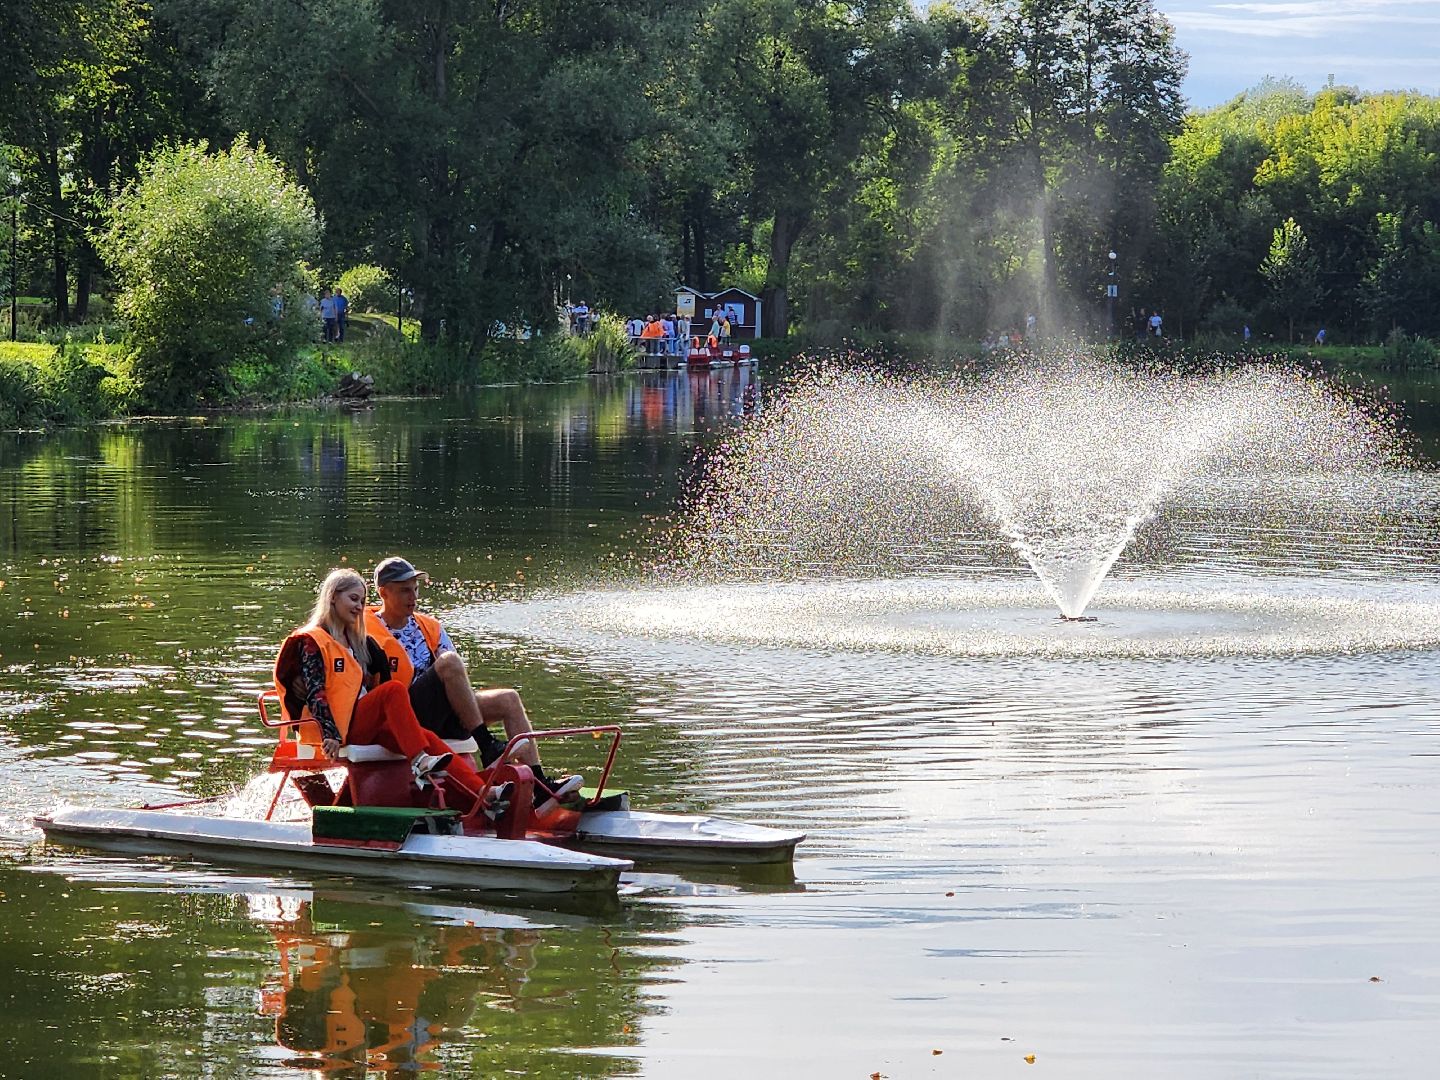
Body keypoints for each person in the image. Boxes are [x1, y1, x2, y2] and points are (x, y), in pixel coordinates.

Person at [363, 556, 581, 802]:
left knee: (508, 699)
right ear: (383, 592)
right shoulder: (364, 629)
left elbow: (455, 678)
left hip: (441, 710)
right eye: (405, 591)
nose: (413, 597)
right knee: (449, 662)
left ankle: (539, 784)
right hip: (406, 715)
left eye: (415, 589)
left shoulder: (429, 626)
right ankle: (487, 745)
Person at [272, 568, 489, 800]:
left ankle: (484, 795)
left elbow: (374, 681)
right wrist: (331, 734)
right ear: (333, 596)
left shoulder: (360, 641)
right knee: (393, 691)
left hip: (365, 722)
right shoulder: (312, 641)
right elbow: (316, 692)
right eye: (353, 599)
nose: (359, 606)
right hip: (339, 729)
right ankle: (419, 762)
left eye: (363, 601)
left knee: (427, 737)